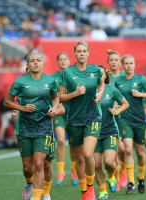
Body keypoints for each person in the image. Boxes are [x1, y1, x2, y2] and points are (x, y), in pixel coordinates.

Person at [3, 52, 60, 200]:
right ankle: (29, 182)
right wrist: (21, 108)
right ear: (27, 65)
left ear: (42, 63)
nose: (36, 63)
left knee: (40, 164)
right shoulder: (20, 81)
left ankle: (39, 196)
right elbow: (7, 101)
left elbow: (55, 97)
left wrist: (54, 108)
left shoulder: (50, 80)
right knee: (28, 169)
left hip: (44, 127)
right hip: (24, 128)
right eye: (32, 61)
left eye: (38, 60)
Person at [58, 41, 105, 200]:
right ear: (75, 54)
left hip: (92, 117)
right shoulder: (67, 72)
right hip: (73, 119)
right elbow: (60, 96)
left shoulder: (95, 70)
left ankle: (91, 187)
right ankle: (84, 191)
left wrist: (99, 93)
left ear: (88, 53)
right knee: (78, 158)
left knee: (87, 153)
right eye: (79, 51)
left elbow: (101, 84)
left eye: (84, 51)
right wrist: (75, 93)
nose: (82, 53)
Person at [115, 54, 146, 194]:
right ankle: (131, 182)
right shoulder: (118, 82)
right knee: (127, 150)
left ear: (134, 65)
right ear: (122, 66)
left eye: (131, 63)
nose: (128, 65)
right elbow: (116, 98)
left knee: (140, 153)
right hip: (125, 120)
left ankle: (141, 178)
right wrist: (115, 106)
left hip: (140, 121)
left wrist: (141, 94)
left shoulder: (141, 80)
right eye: (126, 63)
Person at [11, 105, 64, 200]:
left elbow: (61, 109)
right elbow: (20, 106)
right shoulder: (24, 90)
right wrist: (17, 113)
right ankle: (29, 183)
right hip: (26, 131)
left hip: (45, 131)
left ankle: (44, 193)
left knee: (45, 164)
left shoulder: (50, 90)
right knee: (27, 169)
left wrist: (53, 112)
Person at [94, 65, 129, 199]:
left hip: (109, 130)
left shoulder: (111, 90)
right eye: (96, 74)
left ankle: (111, 176)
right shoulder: (88, 90)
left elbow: (125, 103)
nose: (99, 76)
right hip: (93, 132)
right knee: (96, 165)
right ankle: (103, 191)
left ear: (105, 76)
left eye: (101, 74)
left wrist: (117, 111)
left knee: (109, 162)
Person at [51, 53, 78, 186]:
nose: (62, 62)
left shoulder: (74, 75)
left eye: (65, 59)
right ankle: (61, 171)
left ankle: (74, 170)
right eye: (60, 59)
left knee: (73, 144)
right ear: (57, 62)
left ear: (69, 61)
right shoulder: (52, 78)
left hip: (73, 114)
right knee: (61, 140)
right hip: (59, 113)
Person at [106, 49, 127, 191]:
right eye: (111, 60)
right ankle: (117, 177)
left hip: (124, 115)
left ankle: (124, 170)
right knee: (115, 149)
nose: (114, 62)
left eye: (116, 60)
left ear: (120, 63)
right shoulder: (105, 76)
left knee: (123, 149)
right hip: (110, 116)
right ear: (107, 62)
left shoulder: (125, 77)